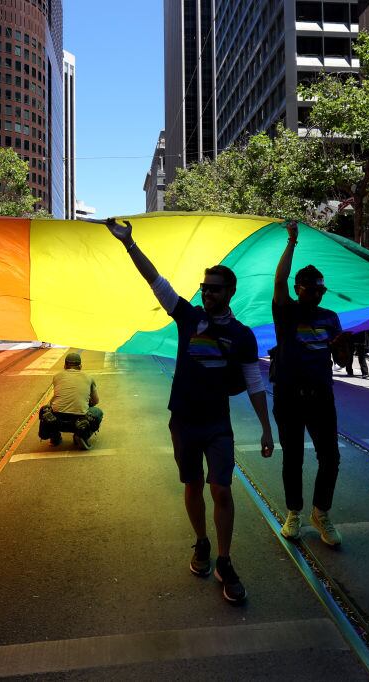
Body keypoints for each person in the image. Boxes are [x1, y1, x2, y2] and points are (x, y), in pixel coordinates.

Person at [106, 218, 274, 605]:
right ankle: (201, 543)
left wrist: (267, 429)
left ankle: (225, 561)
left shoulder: (242, 335)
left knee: (222, 489)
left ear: (230, 291)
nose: (207, 293)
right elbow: (156, 281)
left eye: (214, 289)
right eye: (204, 288)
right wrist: (129, 244)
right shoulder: (188, 316)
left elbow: (254, 383)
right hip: (182, 419)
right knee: (193, 486)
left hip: (218, 424)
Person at [271, 220, 351, 547]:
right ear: (298, 288)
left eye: (320, 289)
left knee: (330, 457)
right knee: (293, 457)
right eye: (311, 288)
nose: (317, 293)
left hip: (321, 397)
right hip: (288, 396)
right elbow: (278, 279)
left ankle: (321, 512)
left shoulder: (331, 317)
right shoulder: (286, 311)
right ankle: (294, 514)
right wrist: (291, 242)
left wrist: (343, 346)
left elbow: (344, 362)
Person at [38, 351, 104, 450]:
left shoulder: (57, 376)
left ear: (65, 366)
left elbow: (55, 399)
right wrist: (83, 404)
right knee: (98, 412)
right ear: (80, 366)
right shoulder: (89, 378)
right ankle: (82, 435)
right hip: (79, 421)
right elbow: (95, 401)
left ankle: (55, 438)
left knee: (45, 409)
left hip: (56, 421)